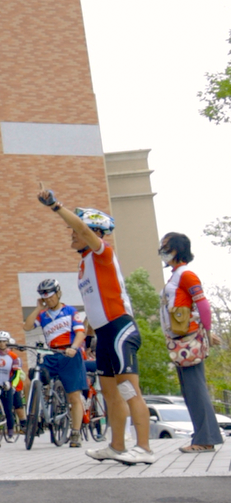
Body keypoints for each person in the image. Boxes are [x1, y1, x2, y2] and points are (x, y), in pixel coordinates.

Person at [36, 190, 153, 464]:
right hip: (103, 333)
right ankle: (117, 446)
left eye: (76, 231)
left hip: (120, 328)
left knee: (129, 390)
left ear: (93, 232)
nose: (72, 234)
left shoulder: (102, 251)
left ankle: (144, 448)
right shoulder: (84, 262)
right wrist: (89, 336)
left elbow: (81, 227)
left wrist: (55, 206)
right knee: (110, 393)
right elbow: (93, 304)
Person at [158, 232, 224, 452]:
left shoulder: (186, 275)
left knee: (195, 389)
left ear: (177, 249)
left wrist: (208, 332)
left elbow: (202, 304)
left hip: (189, 338)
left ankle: (206, 439)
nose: (162, 250)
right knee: (190, 390)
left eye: (166, 246)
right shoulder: (176, 276)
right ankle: (202, 436)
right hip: (180, 339)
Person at [22, 279, 87, 449]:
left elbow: (80, 333)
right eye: (45, 298)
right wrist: (38, 308)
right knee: (30, 380)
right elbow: (27, 327)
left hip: (69, 354)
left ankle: (75, 432)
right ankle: (34, 416)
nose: (49, 300)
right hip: (51, 354)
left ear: (58, 294)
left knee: (74, 396)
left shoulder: (70, 311)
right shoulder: (43, 315)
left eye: (51, 297)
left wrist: (74, 348)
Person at [0, 331, 22, 442]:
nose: (2, 344)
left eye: (4, 341)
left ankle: (10, 433)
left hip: (6, 385)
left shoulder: (13, 356)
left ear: (8, 342)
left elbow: (16, 373)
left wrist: (11, 383)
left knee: (8, 409)